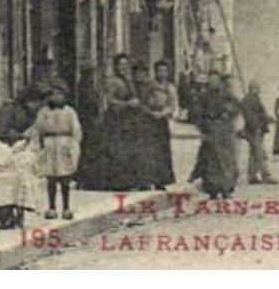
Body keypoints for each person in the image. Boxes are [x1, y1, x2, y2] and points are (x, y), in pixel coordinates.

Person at [30, 87, 82, 220]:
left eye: (60, 94)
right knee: (51, 178)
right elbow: (38, 129)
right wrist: (39, 147)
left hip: (64, 144)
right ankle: (51, 208)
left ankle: (66, 208)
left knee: (65, 179)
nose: (56, 97)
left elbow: (76, 130)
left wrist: (74, 147)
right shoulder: (43, 112)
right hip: (49, 145)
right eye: (53, 95)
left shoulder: (70, 112)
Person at [90, 54, 141, 190]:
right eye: (120, 65)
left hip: (128, 118)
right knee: (117, 150)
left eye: (125, 65)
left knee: (128, 149)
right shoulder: (113, 82)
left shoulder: (128, 81)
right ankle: (116, 183)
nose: (123, 68)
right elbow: (110, 100)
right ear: (115, 67)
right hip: (116, 118)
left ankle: (128, 182)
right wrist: (128, 103)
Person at [192, 75, 240, 199]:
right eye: (211, 80)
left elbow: (237, 107)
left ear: (219, 82)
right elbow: (197, 113)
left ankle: (226, 188)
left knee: (226, 160)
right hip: (210, 129)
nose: (213, 83)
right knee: (210, 161)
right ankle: (212, 189)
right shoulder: (204, 96)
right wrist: (202, 128)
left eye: (216, 80)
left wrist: (228, 113)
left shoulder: (227, 95)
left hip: (225, 130)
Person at [141, 61, 178, 190]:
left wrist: (163, 114)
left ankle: (161, 180)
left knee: (162, 151)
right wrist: (150, 112)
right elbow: (143, 102)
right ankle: (147, 179)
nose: (162, 73)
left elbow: (173, 106)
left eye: (164, 71)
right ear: (155, 71)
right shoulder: (149, 86)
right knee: (149, 150)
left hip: (162, 121)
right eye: (159, 70)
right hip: (149, 120)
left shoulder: (170, 87)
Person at [241, 82, 275, 184]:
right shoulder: (248, 100)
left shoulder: (254, 99)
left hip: (257, 129)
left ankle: (252, 176)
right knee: (260, 154)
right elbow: (250, 117)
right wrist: (257, 126)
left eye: (258, 88)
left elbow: (260, 114)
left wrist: (268, 119)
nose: (258, 90)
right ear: (251, 88)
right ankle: (265, 175)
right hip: (254, 130)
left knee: (254, 154)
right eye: (256, 88)